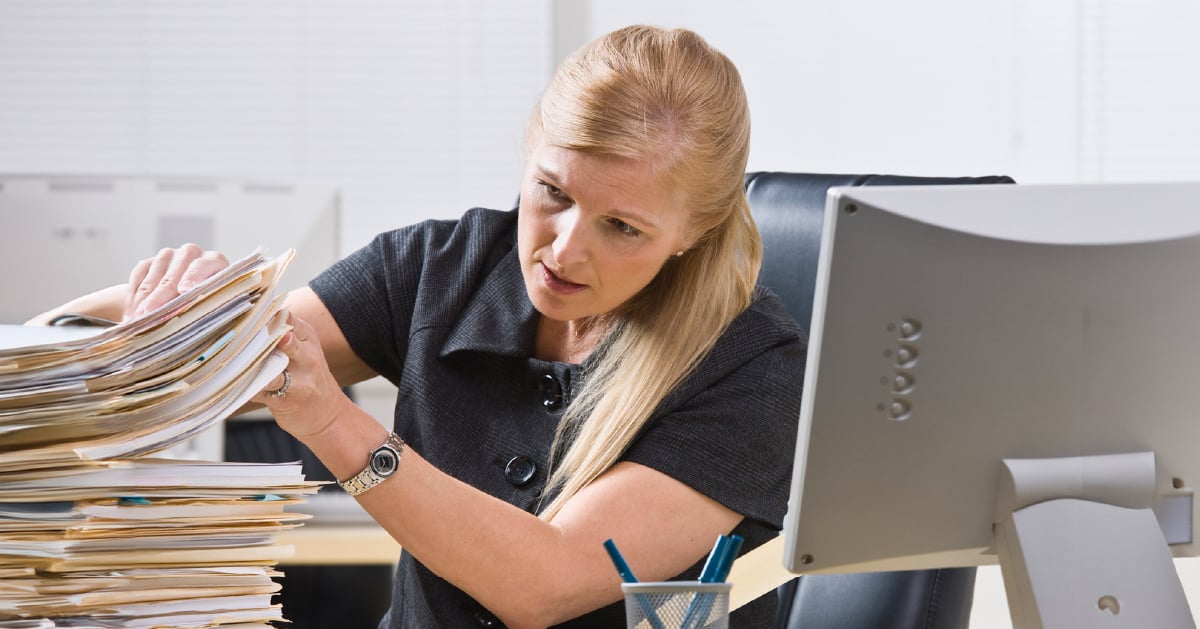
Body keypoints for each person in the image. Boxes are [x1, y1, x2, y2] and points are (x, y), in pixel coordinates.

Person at [33, 25, 804, 628]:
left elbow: (541, 585)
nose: (564, 248)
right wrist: (138, 322)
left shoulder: (751, 366)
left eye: (623, 227)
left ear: (694, 232)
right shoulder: (443, 262)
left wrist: (333, 423)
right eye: (551, 191)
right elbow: (244, 348)